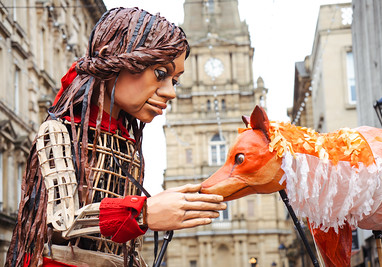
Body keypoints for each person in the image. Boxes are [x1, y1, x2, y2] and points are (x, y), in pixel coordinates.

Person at [5, 7, 226, 267]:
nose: (170, 92)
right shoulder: (60, 131)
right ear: (116, 60)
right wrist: (144, 212)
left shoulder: (128, 147)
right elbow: (62, 222)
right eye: (160, 74)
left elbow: (125, 248)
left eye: (174, 81)